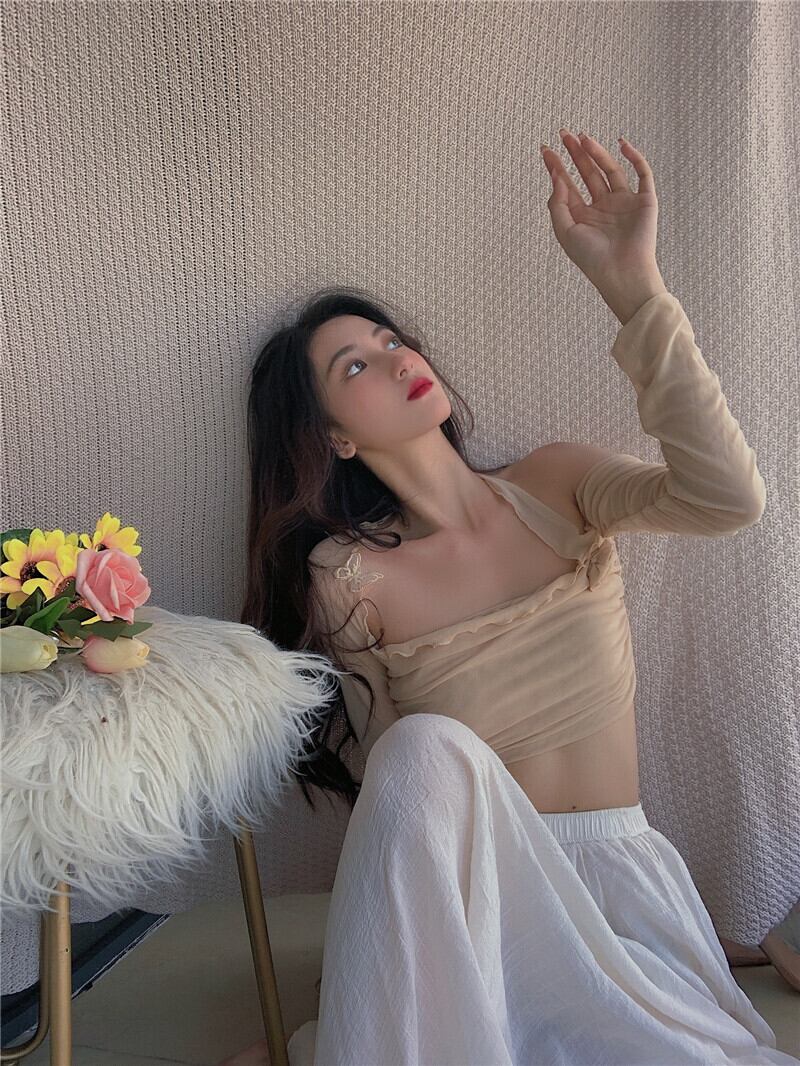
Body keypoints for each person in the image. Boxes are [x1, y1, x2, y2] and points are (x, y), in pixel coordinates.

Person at [221, 131, 796, 1065]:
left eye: (390, 340)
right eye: (354, 366)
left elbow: (729, 500)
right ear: (332, 438)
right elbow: (401, 812)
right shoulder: (348, 575)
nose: (395, 357)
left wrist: (633, 287)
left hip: (620, 897)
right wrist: (371, 974)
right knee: (419, 750)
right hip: (484, 914)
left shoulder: (556, 485)